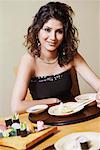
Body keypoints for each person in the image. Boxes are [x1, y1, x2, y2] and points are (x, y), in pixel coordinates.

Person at [11, 1, 100, 114]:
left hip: (74, 117)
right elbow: (16, 106)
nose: (53, 37)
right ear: (37, 30)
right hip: (45, 122)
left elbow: (98, 84)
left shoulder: (71, 55)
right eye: (47, 30)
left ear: (65, 34)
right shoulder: (29, 60)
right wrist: (52, 101)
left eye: (59, 31)